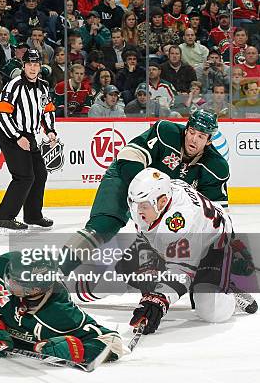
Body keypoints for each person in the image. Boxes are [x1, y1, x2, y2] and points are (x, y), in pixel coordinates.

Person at [59, 109, 230, 276]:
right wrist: (144, 198)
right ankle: (57, 270)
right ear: (186, 129)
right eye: (192, 132)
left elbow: (215, 215)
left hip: (161, 205)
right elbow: (129, 156)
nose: (193, 139)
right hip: (125, 177)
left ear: (209, 141)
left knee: (171, 244)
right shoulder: (166, 132)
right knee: (103, 226)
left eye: (201, 136)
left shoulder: (216, 168)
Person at [126, 168, 257, 335]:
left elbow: (182, 270)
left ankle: (229, 281)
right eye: (134, 203)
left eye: (143, 205)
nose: (137, 211)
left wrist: (159, 299)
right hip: (181, 243)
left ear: (162, 202)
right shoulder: (157, 197)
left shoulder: (181, 220)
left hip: (213, 245)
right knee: (128, 272)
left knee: (212, 311)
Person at [0, 49, 58, 232]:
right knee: (24, 177)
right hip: (11, 135)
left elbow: (48, 110)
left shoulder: (43, 87)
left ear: (40, 66)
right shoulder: (13, 85)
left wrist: (51, 130)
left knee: (40, 174)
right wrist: (17, 137)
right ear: (23, 66)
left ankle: (33, 215)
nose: (32, 67)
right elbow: (1, 113)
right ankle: (5, 218)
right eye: (29, 64)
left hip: (31, 136)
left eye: (36, 64)